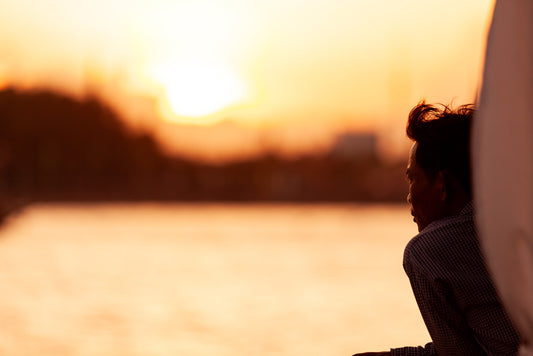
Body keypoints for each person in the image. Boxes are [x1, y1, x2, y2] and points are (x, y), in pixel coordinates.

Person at [353, 102, 520, 356]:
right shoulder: (513, 223)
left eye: (412, 179)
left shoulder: (428, 252)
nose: (409, 197)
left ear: (442, 185)